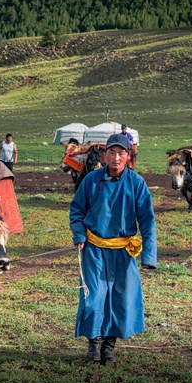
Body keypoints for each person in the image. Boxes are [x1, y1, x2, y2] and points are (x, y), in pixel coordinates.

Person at [69, 133, 157, 364]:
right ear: (105, 155)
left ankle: (108, 348)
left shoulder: (136, 183)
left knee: (120, 298)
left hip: (123, 252)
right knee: (94, 297)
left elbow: (147, 220)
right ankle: (93, 348)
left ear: (128, 157)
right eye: (112, 153)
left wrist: (149, 254)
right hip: (94, 249)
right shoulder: (91, 180)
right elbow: (77, 209)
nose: (116, 158)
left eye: (121, 153)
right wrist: (79, 234)